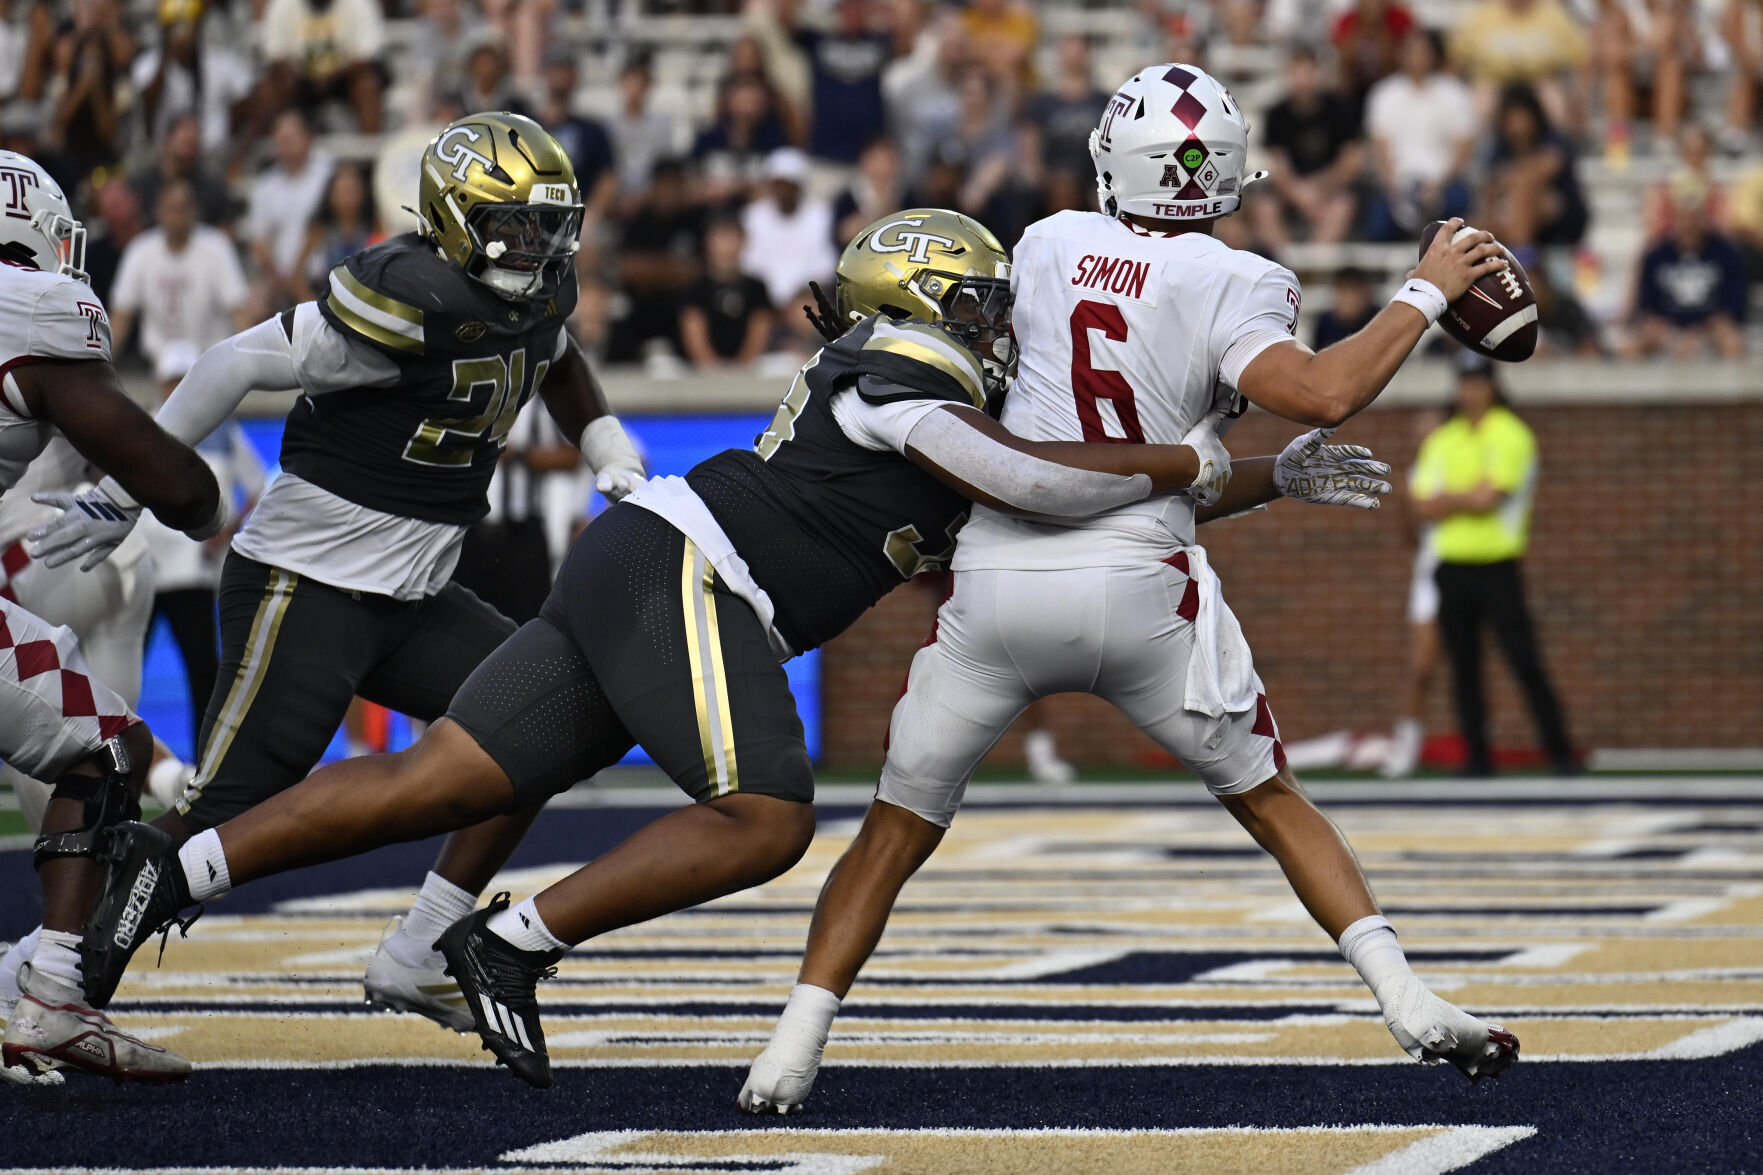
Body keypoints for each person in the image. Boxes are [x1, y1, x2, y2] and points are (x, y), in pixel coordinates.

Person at [75, 207, 1253, 1088]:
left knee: (441, 779)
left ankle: (166, 871)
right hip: (689, 570)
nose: (1001, 326)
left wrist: (1261, 477)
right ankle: (513, 941)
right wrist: (1185, 459)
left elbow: (1071, 498)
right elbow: (1034, 478)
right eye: (982, 302)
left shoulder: (922, 385)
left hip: (649, 557)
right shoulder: (905, 370)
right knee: (766, 812)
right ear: (923, 303)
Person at [735, 64, 1520, 1116]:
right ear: (1225, 172)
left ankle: (790, 1045)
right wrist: (1422, 290)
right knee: (1272, 801)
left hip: (997, 586)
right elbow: (1323, 393)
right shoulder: (1237, 279)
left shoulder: (1049, 243)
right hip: (1141, 592)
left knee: (891, 831)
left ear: (1113, 157)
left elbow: (1062, 437)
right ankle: (1406, 997)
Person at [25, 113, 646, 1039]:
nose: (537, 245)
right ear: (454, 217)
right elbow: (232, 361)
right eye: (514, 224)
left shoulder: (536, 288)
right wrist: (123, 488)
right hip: (304, 585)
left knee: (549, 720)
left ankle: (425, 943)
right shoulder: (407, 294)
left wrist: (608, 451)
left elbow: (555, 358)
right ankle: (47, 983)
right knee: (215, 826)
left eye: (548, 224)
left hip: (416, 594)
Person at [0, 151, 222, 1085]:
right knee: (108, 749)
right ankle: (52, 993)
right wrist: (200, 509)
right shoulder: (31, 308)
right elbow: (170, 475)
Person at [1412, 356, 1572, 777]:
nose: (1471, 392)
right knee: (1464, 667)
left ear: (1493, 387)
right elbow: (1423, 505)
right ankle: (1477, 758)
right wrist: (1463, 499)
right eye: (1464, 383)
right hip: (1453, 565)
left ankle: (1559, 751)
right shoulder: (1444, 438)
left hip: (1498, 563)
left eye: (1478, 383)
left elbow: (1491, 499)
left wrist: (1451, 501)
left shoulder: (1511, 433)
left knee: (1524, 660)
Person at [139, 340, 266, 747]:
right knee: (127, 667)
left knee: (202, 670)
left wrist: (223, 533)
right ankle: (110, 756)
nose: (176, 387)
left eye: (183, 379)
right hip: (146, 570)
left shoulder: (220, 430)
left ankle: (202, 762)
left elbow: (259, 487)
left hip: (191, 573)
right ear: (160, 383)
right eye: (171, 379)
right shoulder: (141, 427)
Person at [108, 179, 250, 366]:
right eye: (170, 208)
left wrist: (250, 361)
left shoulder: (217, 247)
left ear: (194, 211)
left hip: (210, 358)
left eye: (182, 208)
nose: (176, 216)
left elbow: (238, 310)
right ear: (158, 210)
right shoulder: (140, 250)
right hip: (159, 362)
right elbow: (121, 316)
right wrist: (104, 364)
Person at [1381, 408, 1446, 779]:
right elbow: (1410, 539)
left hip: (1470, 567)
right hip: (1431, 575)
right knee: (1420, 667)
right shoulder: (1413, 478)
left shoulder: (1459, 465)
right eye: (1419, 432)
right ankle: (1406, 743)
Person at [1364, 28, 1474, 241]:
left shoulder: (1454, 93)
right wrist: (1397, 190)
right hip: (1398, 185)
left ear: (1434, 54)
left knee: (1458, 205)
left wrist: (1439, 185)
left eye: (1423, 51)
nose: (1417, 57)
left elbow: (1463, 147)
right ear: (1401, 54)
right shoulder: (1384, 94)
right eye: (1411, 50)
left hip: (1444, 182)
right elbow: (1381, 148)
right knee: (1378, 222)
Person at [1625, 181, 1749, 359]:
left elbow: (1734, 305)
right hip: (1666, 327)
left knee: (1731, 340)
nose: (1690, 224)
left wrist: (1701, 331)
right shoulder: (1657, 254)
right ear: (1676, 217)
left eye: (1695, 216)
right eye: (1685, 216)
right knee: (1631, 346)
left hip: (1710, 327)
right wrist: (1670, 334)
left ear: (1704, 217)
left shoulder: (1726, 253)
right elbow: (1647, 306)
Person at [678, 217, 773, 368]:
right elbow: (693, 329)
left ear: (743, 241)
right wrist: (713, 368)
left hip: (749, 372)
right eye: (720, 238)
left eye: (730, 238)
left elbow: (760, 327)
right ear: (708, 243)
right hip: (705, 374)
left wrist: (743, 367)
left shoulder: (756, 286)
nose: (725, 246)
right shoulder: (696, 288)